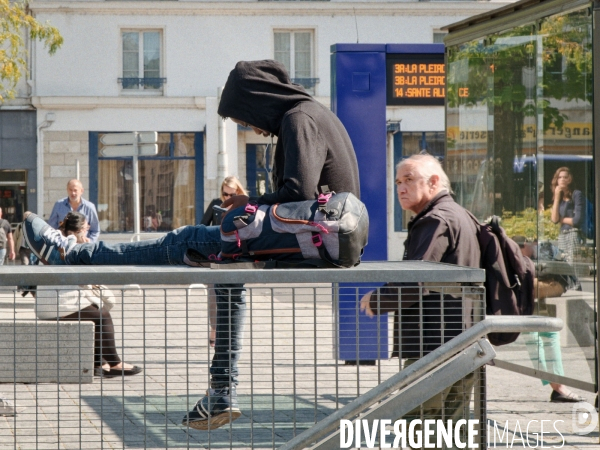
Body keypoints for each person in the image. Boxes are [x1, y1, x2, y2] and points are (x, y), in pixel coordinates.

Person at [22, 59, 360, 430]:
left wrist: (251, 204)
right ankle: (219, 395)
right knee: (228, 281)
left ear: (256, 100)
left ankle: (67, 253)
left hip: (305, 242)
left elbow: (299, 192)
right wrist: (251, 203)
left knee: (184, 239)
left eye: (244, 118)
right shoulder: (312, 114)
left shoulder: (299, 119)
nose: (249, 126)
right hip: (311, 243)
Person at [359, 154, 480, 431]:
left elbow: (417, 279)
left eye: (409, 180)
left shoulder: (435, 220)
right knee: (451, 433)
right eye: (398, 182)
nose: (401, 188)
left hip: (434, 345)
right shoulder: (459, 214)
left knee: (418, 428)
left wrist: (378, 299)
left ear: (434, 182)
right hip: (462, 341)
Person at [34, 211, 142, 378]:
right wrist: (85, 249)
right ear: (78, 231)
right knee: (102, 316)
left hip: (56, 301)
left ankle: (98, 363)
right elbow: (86, 275)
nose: (88, 230)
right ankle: (114, 363)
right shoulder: (71, 246)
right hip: (59, 302)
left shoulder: (55, 243)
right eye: (86, 228)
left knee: (95, 314)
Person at [513, 236, 585, 403]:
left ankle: (557, 385)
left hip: (551, 287)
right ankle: (557, 385)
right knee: (537, 334)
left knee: (545, 333)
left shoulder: (539, 251)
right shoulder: (523, 251)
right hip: (526, 299)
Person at [201, 176, 248, 347]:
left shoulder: (244, 206)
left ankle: (233, 336)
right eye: (225, 194)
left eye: (231, 194)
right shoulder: (216, 205)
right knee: (213, 294)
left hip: (235, 257)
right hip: (215, 257)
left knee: (234, 295)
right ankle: (214, 331)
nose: (227, 198)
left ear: (238, 192)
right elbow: (202, 226)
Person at [550, 167, 583, 290]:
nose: (562, 179)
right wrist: (557, 197)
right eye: (560, 177)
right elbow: (554, 219)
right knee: (564, 267)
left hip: (573, 234)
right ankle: (570, 289)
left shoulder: (576, 194)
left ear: (570, 179)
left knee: (572, 266)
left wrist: (561, 219)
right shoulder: (558, 196)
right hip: (562, 234)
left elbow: (577, 220)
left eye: (565, 177)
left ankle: (577, 291)